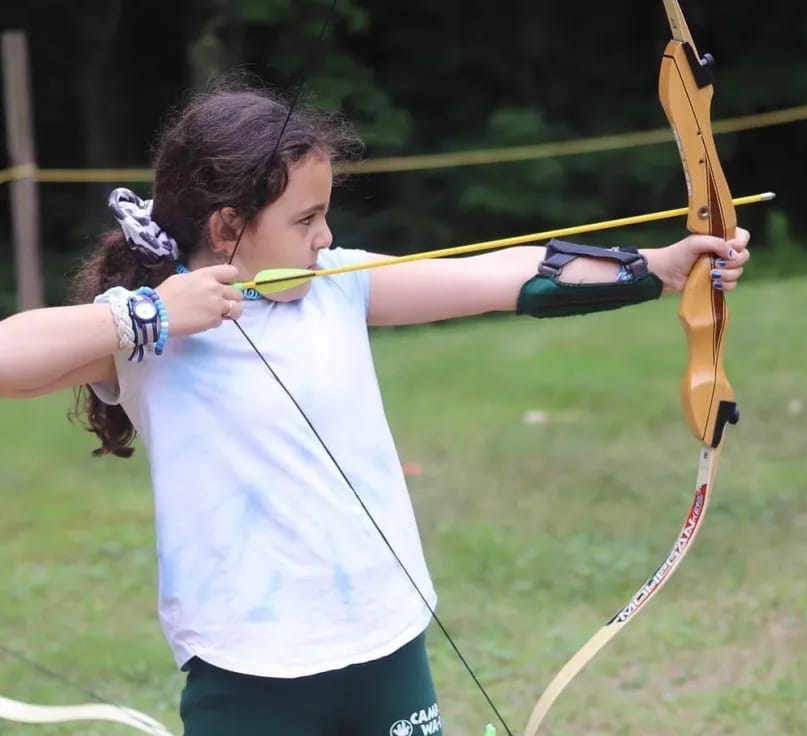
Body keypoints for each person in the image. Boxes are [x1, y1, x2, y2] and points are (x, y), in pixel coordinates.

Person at [0, 81, 750, 735]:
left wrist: (653, 268)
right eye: (305, 220)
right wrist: (146, 318)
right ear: (229, 226)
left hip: (385, 642)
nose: (324, 237)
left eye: (326, 216)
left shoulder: (339, 280)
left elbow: (503, 276)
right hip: (246, 665)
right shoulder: (144, 327)